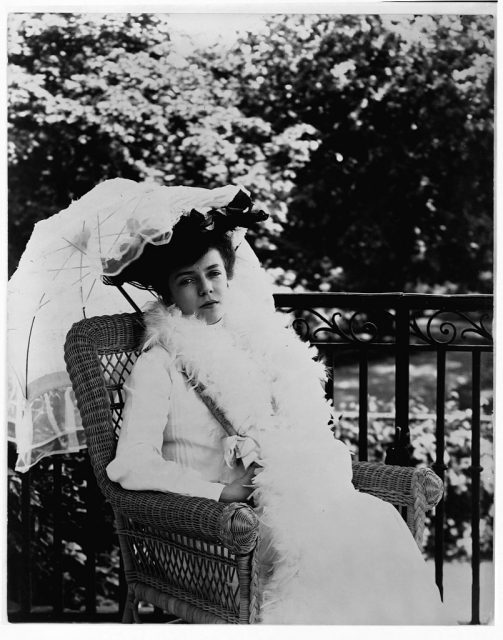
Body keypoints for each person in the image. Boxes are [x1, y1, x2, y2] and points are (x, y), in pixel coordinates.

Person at [105, 198, 452, 625]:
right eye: (187, 280)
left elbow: (294, 432)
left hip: (284, 499)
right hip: (214, 533)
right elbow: (131, 464)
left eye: (214, 274)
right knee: (320, 547)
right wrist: (220, 494)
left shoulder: (252, 349)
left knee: (373, 520)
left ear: (228, 278)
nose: (206, 288)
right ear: (169, 293)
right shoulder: (158, 363)